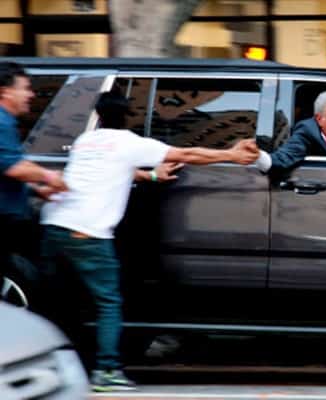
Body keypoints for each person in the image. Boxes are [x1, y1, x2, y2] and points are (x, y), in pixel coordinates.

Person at [39, 91, 260, 392]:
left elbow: (116, 169)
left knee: (60, 302)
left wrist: (152, 177)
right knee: (108, 302)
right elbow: (187, 154)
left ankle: (50, 364)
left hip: (54, 225)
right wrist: (232, 155)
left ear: (99, 115)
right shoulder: (130, 143)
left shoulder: (85, 141)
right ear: (127, 115)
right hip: (86, 231)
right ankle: (107, 372)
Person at [0, 62, 67, 295]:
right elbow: (13, 167)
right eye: (25, 88)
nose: (31, 94)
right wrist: (48, 176)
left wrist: (37, 190)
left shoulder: (6, 122)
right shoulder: (0, 122)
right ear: (5, 91)